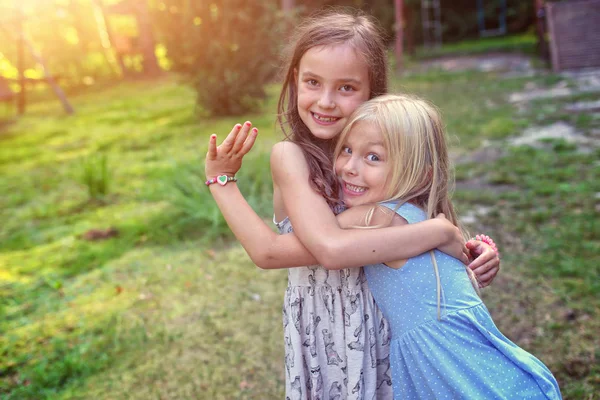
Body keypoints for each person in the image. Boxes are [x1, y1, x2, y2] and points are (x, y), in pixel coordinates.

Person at [204, 10, 500, 400]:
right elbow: (308, 249)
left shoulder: (385, 154)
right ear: (294, 80)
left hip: (389, 325)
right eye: (312, 82)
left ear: (372, 92)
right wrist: (220, 181)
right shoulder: (291, 156)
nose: (326, 101)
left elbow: (412, 227)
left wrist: (473, 256)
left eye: (346, 87)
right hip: (331, 334)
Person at [331, 93, 562, 399]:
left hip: (453, 365)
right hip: (470, 365)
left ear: (421, 174)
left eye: (373, 157)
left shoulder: (376, 216)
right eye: (346, 149)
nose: (349, 166)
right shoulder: (425, 218)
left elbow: (296, 243)